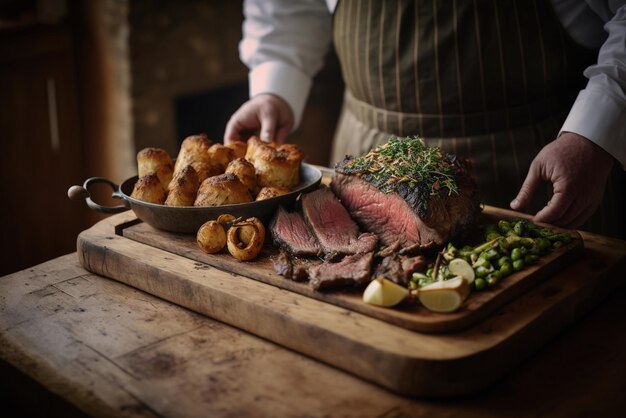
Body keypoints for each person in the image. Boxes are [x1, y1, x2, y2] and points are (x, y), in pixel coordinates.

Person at [224, 0, 625, 238]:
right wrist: (274, 86)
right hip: (364, 158)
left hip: (537, 158)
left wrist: (595, 131)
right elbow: (290, 8)